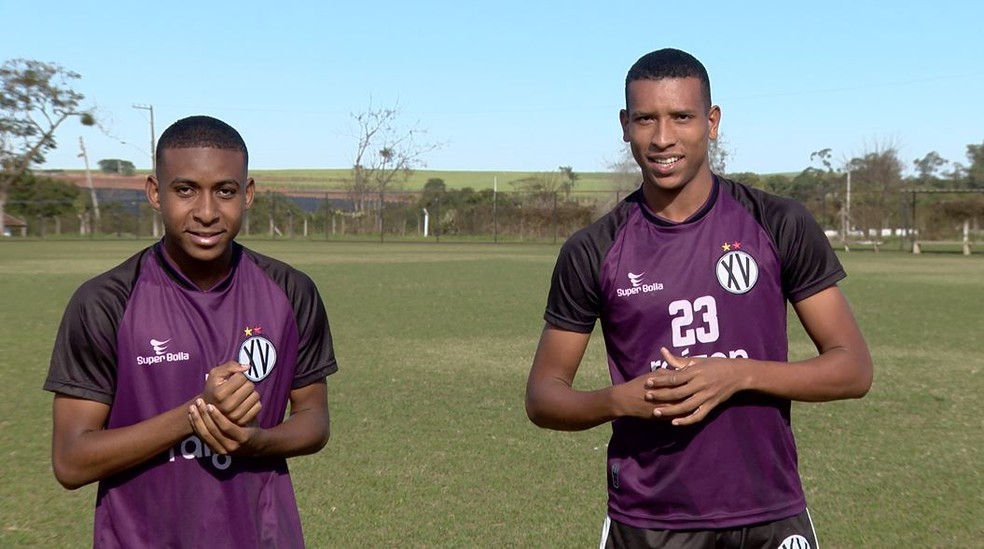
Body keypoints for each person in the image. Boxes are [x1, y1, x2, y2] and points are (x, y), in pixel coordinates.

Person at [524, 48, 873, 548]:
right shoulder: (594, 249)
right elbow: (543, 396)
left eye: (682, 117)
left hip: (769, 514)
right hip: (650, 522)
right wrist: (619, 401)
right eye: (645, 119)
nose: (662, 138)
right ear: (624, 126)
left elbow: (853, 369)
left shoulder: (778, 223)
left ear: (712, 122)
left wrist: (738, 374)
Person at [44, 115, 337, 548]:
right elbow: (71, 461)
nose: (206, 212)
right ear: (155, 192)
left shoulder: (291, 291)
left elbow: (315, 419)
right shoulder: (104, 302)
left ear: (247, 194)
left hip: (264, 538)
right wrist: (196, 414)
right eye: (185, 190)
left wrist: (257, 442)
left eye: (225, 191)